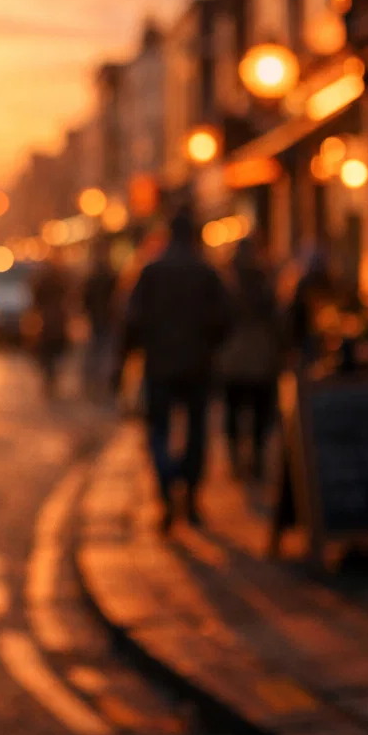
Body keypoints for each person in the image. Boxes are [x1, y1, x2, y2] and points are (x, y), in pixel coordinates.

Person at [124, 207, 231, 530]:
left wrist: (126, 357)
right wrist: (209, 344)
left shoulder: (152, 270)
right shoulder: (206, 271)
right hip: (197, 364)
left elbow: (132, 318)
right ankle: (192, 497)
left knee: (158, 431)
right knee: (197, 432)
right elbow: (226, 317)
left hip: (159, 364)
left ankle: (167, 491)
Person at [214, 238, 283, 481]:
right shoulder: (265, 281)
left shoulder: (227, 284)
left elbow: (217, 321)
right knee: (258, 410)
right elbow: (277, 320)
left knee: (234, 409)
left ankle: (236, 458)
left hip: (233, 357)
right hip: (260, 357)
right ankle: (256, 458)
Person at [82, 242, 118, 401]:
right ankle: (99, 379)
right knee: (102, 348)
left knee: (97, 347)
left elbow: (86, 297)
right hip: (104, 317)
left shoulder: (95, 277)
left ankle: (94, 378)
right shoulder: (110, 277)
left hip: (98, 316)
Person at [32, 251, 70, 399]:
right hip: (53, 319)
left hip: (49, 319)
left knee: (49, 349)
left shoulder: (48, 278)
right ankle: (50, 375)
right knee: (51, 349)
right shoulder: (60, 278)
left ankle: (49, 375)